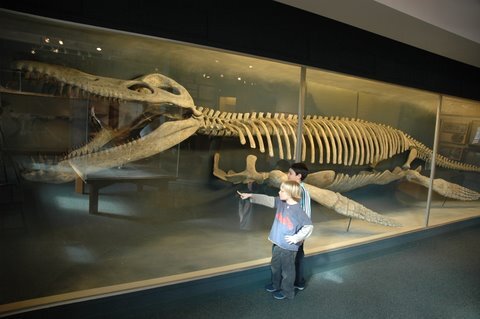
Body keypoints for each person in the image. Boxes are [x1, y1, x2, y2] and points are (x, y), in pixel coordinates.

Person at [237, 180, 313, 300]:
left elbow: (308, 226)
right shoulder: (281, 202)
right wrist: (251, 195)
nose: (279, 192)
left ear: (290, 193)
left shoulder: (298, 210)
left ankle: (287, 291)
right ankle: (276, 285)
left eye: (282, 190)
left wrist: (296, 238)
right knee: (275, 266)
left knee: (288, 271)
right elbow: (268, 199)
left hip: (288, 247)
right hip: (277, 243)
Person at [287, 162, 311, 291]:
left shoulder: (302, 191)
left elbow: (306, 214)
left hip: (297, 232)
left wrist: (302, 235)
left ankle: (298, 282)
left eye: (290, 173)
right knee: (293, 257)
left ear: (299, 176)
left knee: (298, 256)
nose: (287, 175)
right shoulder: (293, 189)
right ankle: (296, 281)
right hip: (291, 230)